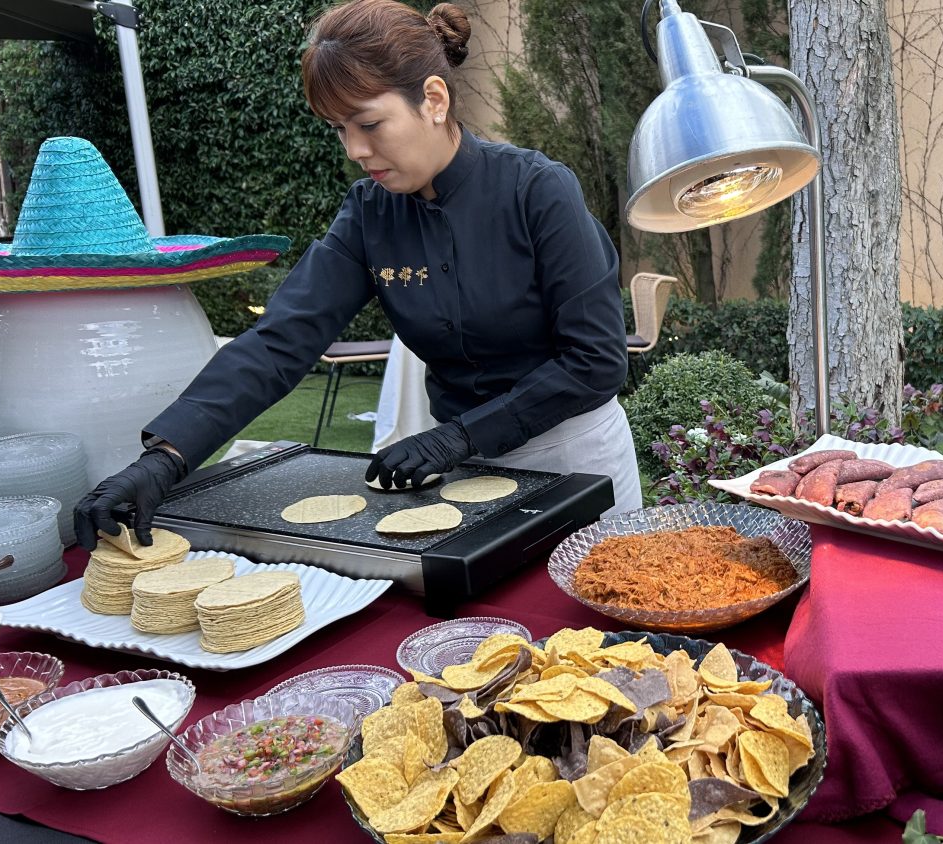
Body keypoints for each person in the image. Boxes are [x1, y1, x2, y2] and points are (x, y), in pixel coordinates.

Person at [74, 0, 639, 549]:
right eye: (339, 128)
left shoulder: (536, 190)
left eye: (369, 123)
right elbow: (280, 342)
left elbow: (595, 362)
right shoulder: (370, 213)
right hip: (465, 470)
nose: (354, 149)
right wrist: (167, 456)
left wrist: (461, 435)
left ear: (434, 99)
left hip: (575, 454)